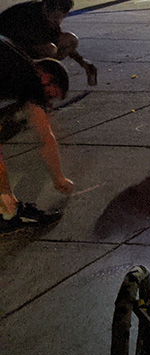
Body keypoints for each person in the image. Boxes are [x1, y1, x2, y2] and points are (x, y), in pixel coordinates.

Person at [0, 36, 74, 235]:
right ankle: (8, 213)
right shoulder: (30, 79)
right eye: (50, 94)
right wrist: (58, 178)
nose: (47, 102)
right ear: (45, 76)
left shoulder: (16, 65)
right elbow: (45, 137)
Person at [0, 0, 98, 86]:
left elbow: (57, 39)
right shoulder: (27, 15)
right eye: (55, 18)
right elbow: (29, 42)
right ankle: (33, 78)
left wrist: (83, 62)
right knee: (50, 49)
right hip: (7, 49)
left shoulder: (48, 16)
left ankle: (43, 73)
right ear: (46, 7)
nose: (58, 22)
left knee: (70, 40)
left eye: (61, 18)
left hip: (22, 47)